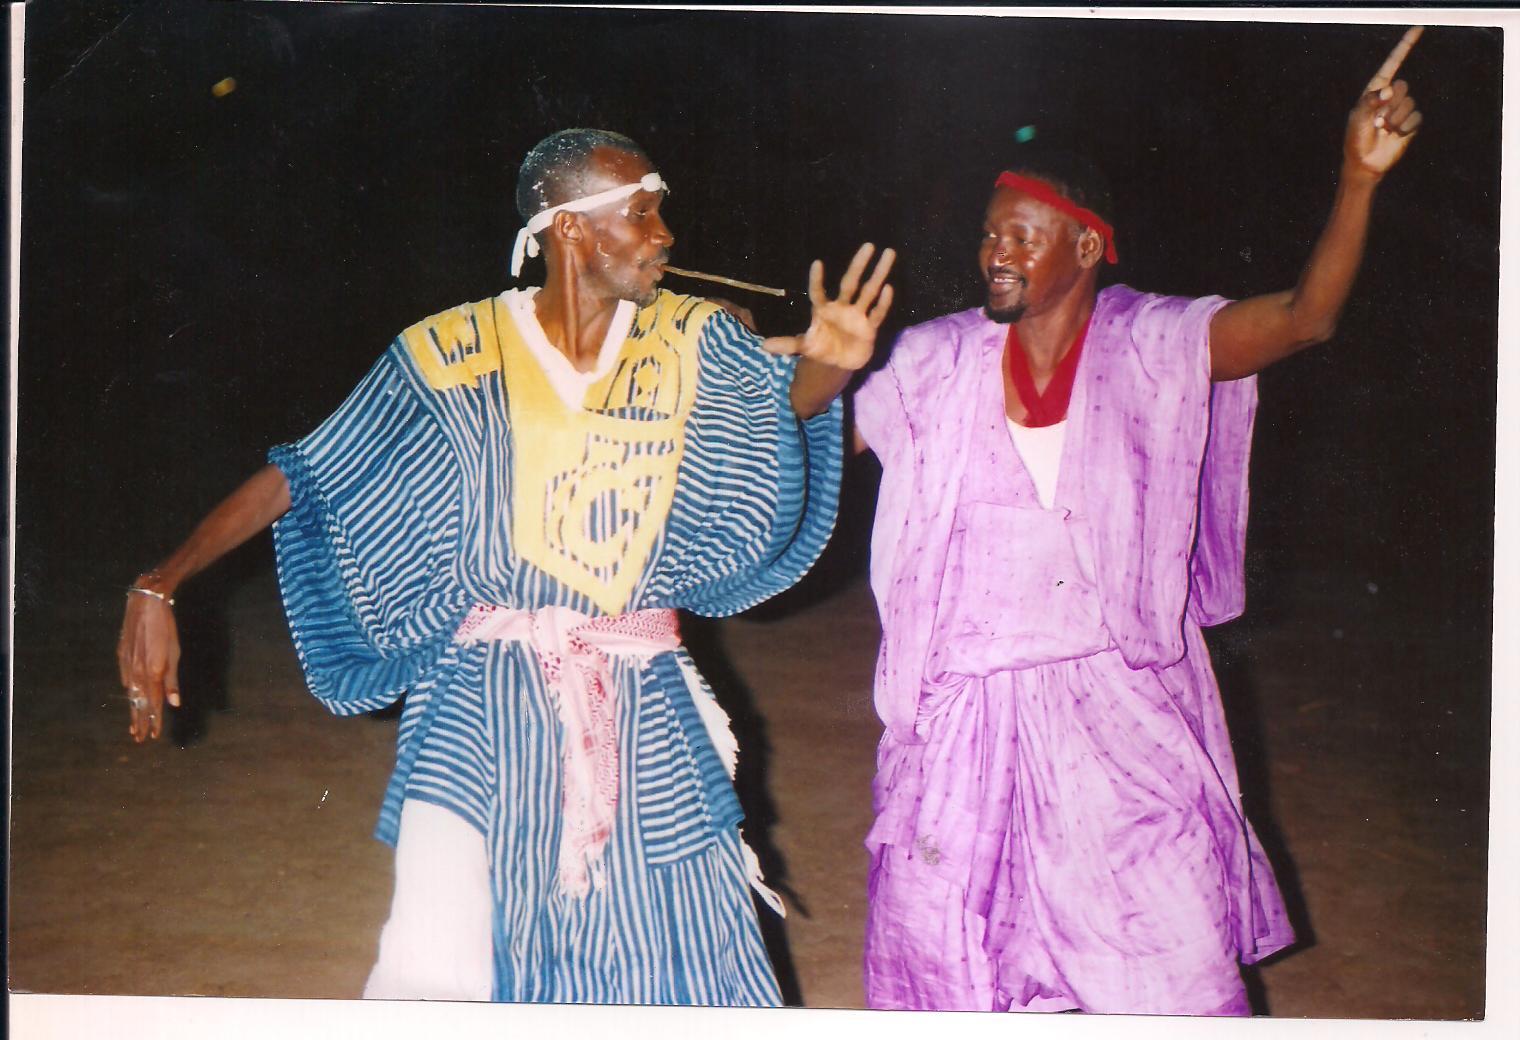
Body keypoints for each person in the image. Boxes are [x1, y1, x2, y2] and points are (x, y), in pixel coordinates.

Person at [116, 127, 895, 1004]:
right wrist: (161, 580)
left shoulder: (692, 339)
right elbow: (309, 471)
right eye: (640, 213)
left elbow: (769, 417)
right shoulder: (452, 353)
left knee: (680, 947)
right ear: (569, 231)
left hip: (641, 697)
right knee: (443, 953)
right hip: (478, 707)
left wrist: (828, 371)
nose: (664, 234)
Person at [852, 58, 1421, 1015]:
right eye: (990, 233)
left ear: (1087, 245)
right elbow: (817, 434)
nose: (995, 251)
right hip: (963, 714)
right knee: (953, 957)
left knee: (1167, 954)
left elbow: (1305, 320)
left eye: (1022, 236)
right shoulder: (936, 356)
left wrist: (1359, 179)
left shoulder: (1157, 343)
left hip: (1116, 703)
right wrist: (805, 367)